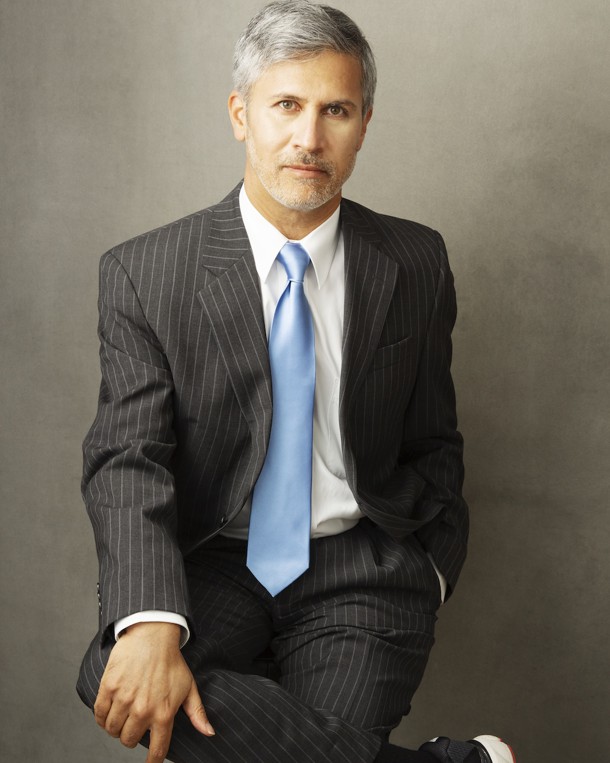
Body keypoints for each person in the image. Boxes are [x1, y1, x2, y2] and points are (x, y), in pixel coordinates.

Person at [76, 3, 515, 763]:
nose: (309, 138)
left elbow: (432, 436)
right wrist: (148, 620)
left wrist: (431, 568)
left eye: (335, 110)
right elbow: (128, 459)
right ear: (240, 114)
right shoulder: (146, 272)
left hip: (362, 565)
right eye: (286, 105)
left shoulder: (414, 261)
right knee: (113, 672)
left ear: (364, 125)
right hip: (218, 558)